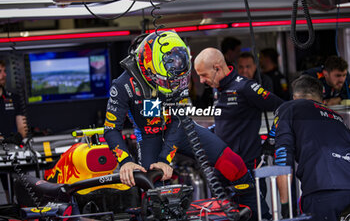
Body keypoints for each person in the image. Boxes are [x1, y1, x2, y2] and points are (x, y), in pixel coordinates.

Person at [104, 31, 251, 200]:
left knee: (233, 163)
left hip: (179, 127)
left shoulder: (176, 73)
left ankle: (257, 211)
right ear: (148, 69)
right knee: (152, 192)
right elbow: (111, 129)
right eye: (165, 79)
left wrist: (165, 159)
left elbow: (178, 119)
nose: (172, 84)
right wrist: (126, 161)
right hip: (149, 136)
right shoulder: (123, 85)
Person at [194, 47, 283, 220]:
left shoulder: (246, 87)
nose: (201, 80)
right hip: (222, 168)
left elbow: (284, 108)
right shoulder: (217, 89)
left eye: (203, 75)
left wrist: (271, 139)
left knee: (256, 216)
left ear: (217, 68)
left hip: (247, 167)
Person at [274, 75, 350, 221]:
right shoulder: (338, 118)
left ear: (295, 96)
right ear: (321, 98)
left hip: (321, 191)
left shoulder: (290, 108)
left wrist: (286, 208)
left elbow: (283, 158)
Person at [0, 59, 27, 202]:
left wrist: (15, 138)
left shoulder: (13, 98)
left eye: (4, 71)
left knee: (14, 194)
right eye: (0, 72)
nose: (4, 75)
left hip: (10, 153)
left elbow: (22, 129)